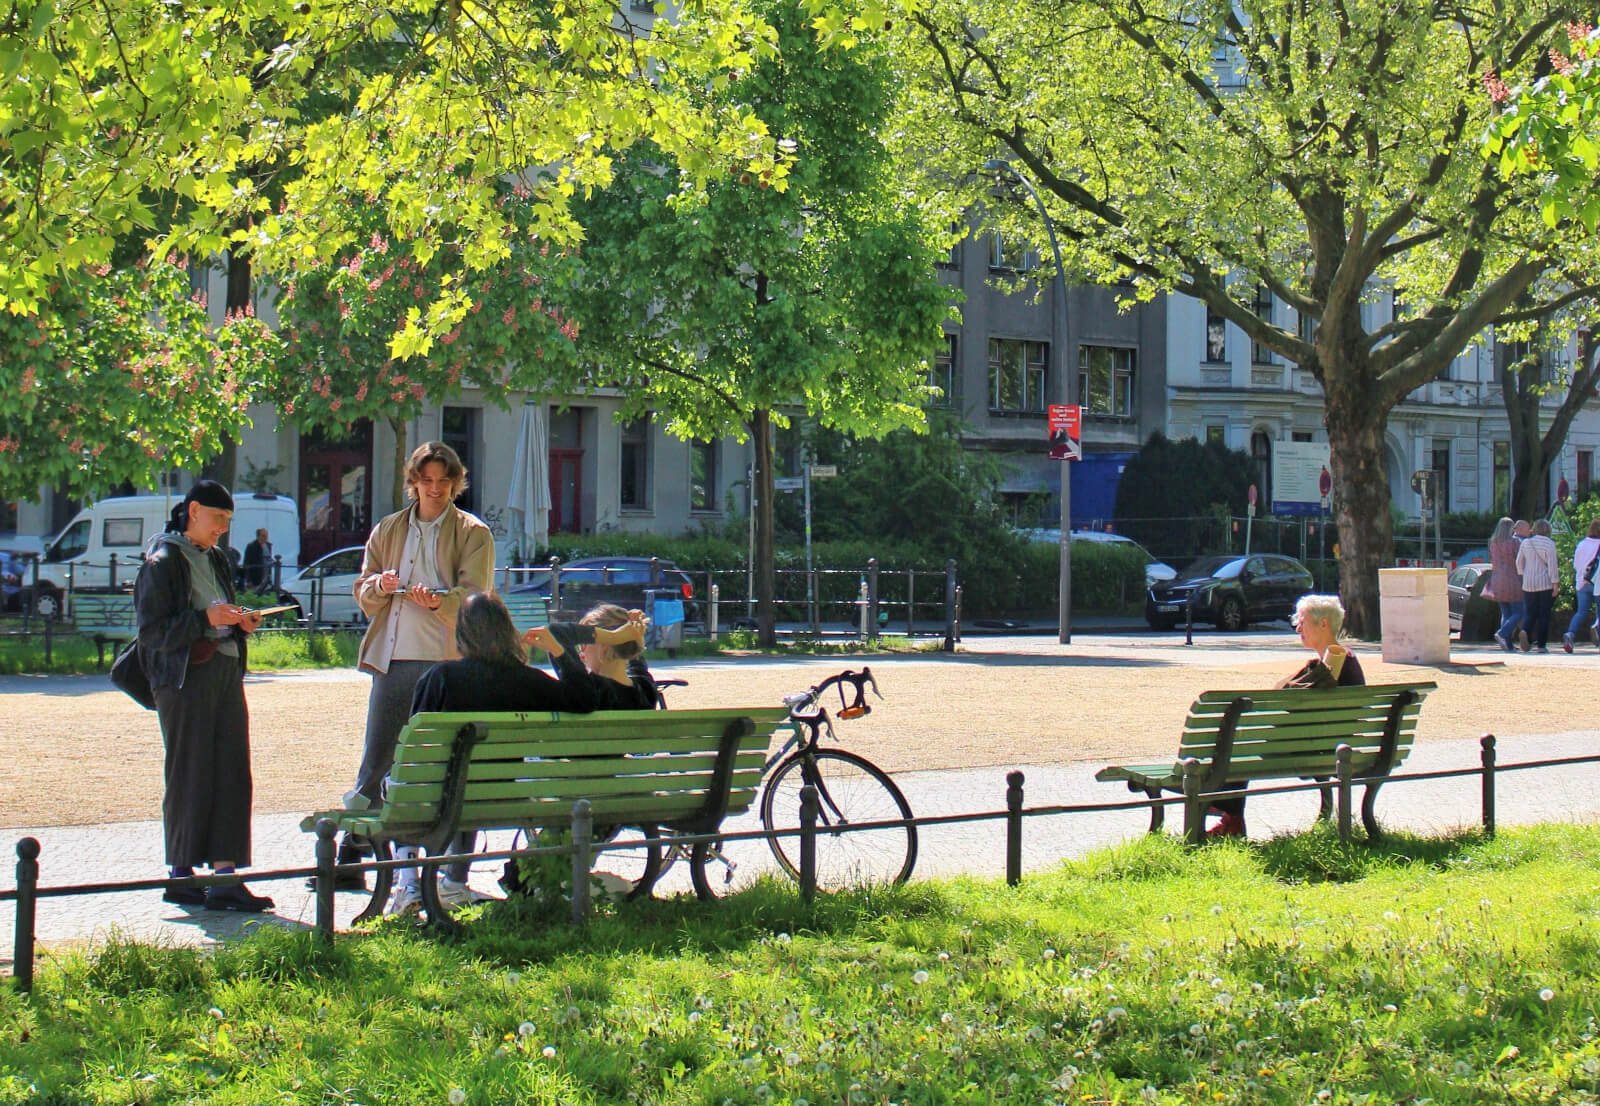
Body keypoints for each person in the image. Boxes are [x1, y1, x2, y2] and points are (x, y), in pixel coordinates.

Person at [342, 441, 494, 915]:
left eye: (444, 482)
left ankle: (454, 874)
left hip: (451, 661)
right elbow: (363, 587)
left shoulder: (473, 532)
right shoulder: (389, 528)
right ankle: (353, 851)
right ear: (414, 482)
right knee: (380, 759)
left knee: (455, 761)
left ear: (455, 484)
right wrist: (381, 586)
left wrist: (440, 602)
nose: (435, 490)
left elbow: (476, 597)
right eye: (426, 481)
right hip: (396, 656)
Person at [132, 481, 273, 912]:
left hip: (225, 668)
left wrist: (238, 621)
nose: (222, 530)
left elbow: (213, 615)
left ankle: (225, 874)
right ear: (193, 510)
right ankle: (180, 873)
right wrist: (204, 618)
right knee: (189, 771)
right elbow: (152, 634)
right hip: (184, 679)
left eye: (228, 522)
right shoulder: (162, 560)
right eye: (218, 520)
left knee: (232, 769)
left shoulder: (215, 558)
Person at [1207, 593, 1365, 839]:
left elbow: (1297, 703)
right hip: (1326, 746)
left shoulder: (1334, 661)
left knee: (1236, 746)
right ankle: (1231, 817)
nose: (1297, 627)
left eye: (1302, 620)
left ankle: (1229, 817)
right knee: (1240, 744)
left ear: (1323, 623)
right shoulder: (1338, 659)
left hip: (1315, 749)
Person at [528, 603, 656, 711]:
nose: (580, 650)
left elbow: (555, 633)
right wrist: (633, 632)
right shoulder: (646, 689)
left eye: (584, 641)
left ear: (604, 646)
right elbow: (636, 661)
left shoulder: (589, 690)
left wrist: (613, 636)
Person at [1517, 519, 1560, 654]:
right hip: (1545, 583)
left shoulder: (1526, 542)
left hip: (1528, 583)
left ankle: (1525, 630)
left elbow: (1518, 562)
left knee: (1530, 612)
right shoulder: (1549, 544)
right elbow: (1552, 566)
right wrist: (1555, 584)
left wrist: (1523, 574)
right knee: (1544, 614)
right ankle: (1541, 645)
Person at [1487, 517, 1525, 652]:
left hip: (1497, 579)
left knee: (1506, 613)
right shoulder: (1514, 542)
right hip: (1512, 578)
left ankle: (1507, 645)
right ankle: (1502, 633)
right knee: (1519, 611)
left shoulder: (1493, 542)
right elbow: (1520, 560)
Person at [1566, 519, 1600, 653]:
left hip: (1582, 582)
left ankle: (1570, 634)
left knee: (1581, 612)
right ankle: (1597, 628)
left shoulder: (1582, 544)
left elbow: (1575, 565)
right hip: (1597, 583)